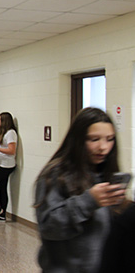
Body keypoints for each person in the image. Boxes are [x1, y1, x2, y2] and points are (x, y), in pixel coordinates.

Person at [34, 107, 126, 272]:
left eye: (109, 139)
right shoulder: (55, 174)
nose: (103, 147)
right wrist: (89, 201)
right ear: (78, 140)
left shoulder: (104, 173)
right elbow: (48, 227)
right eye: (94, 139)